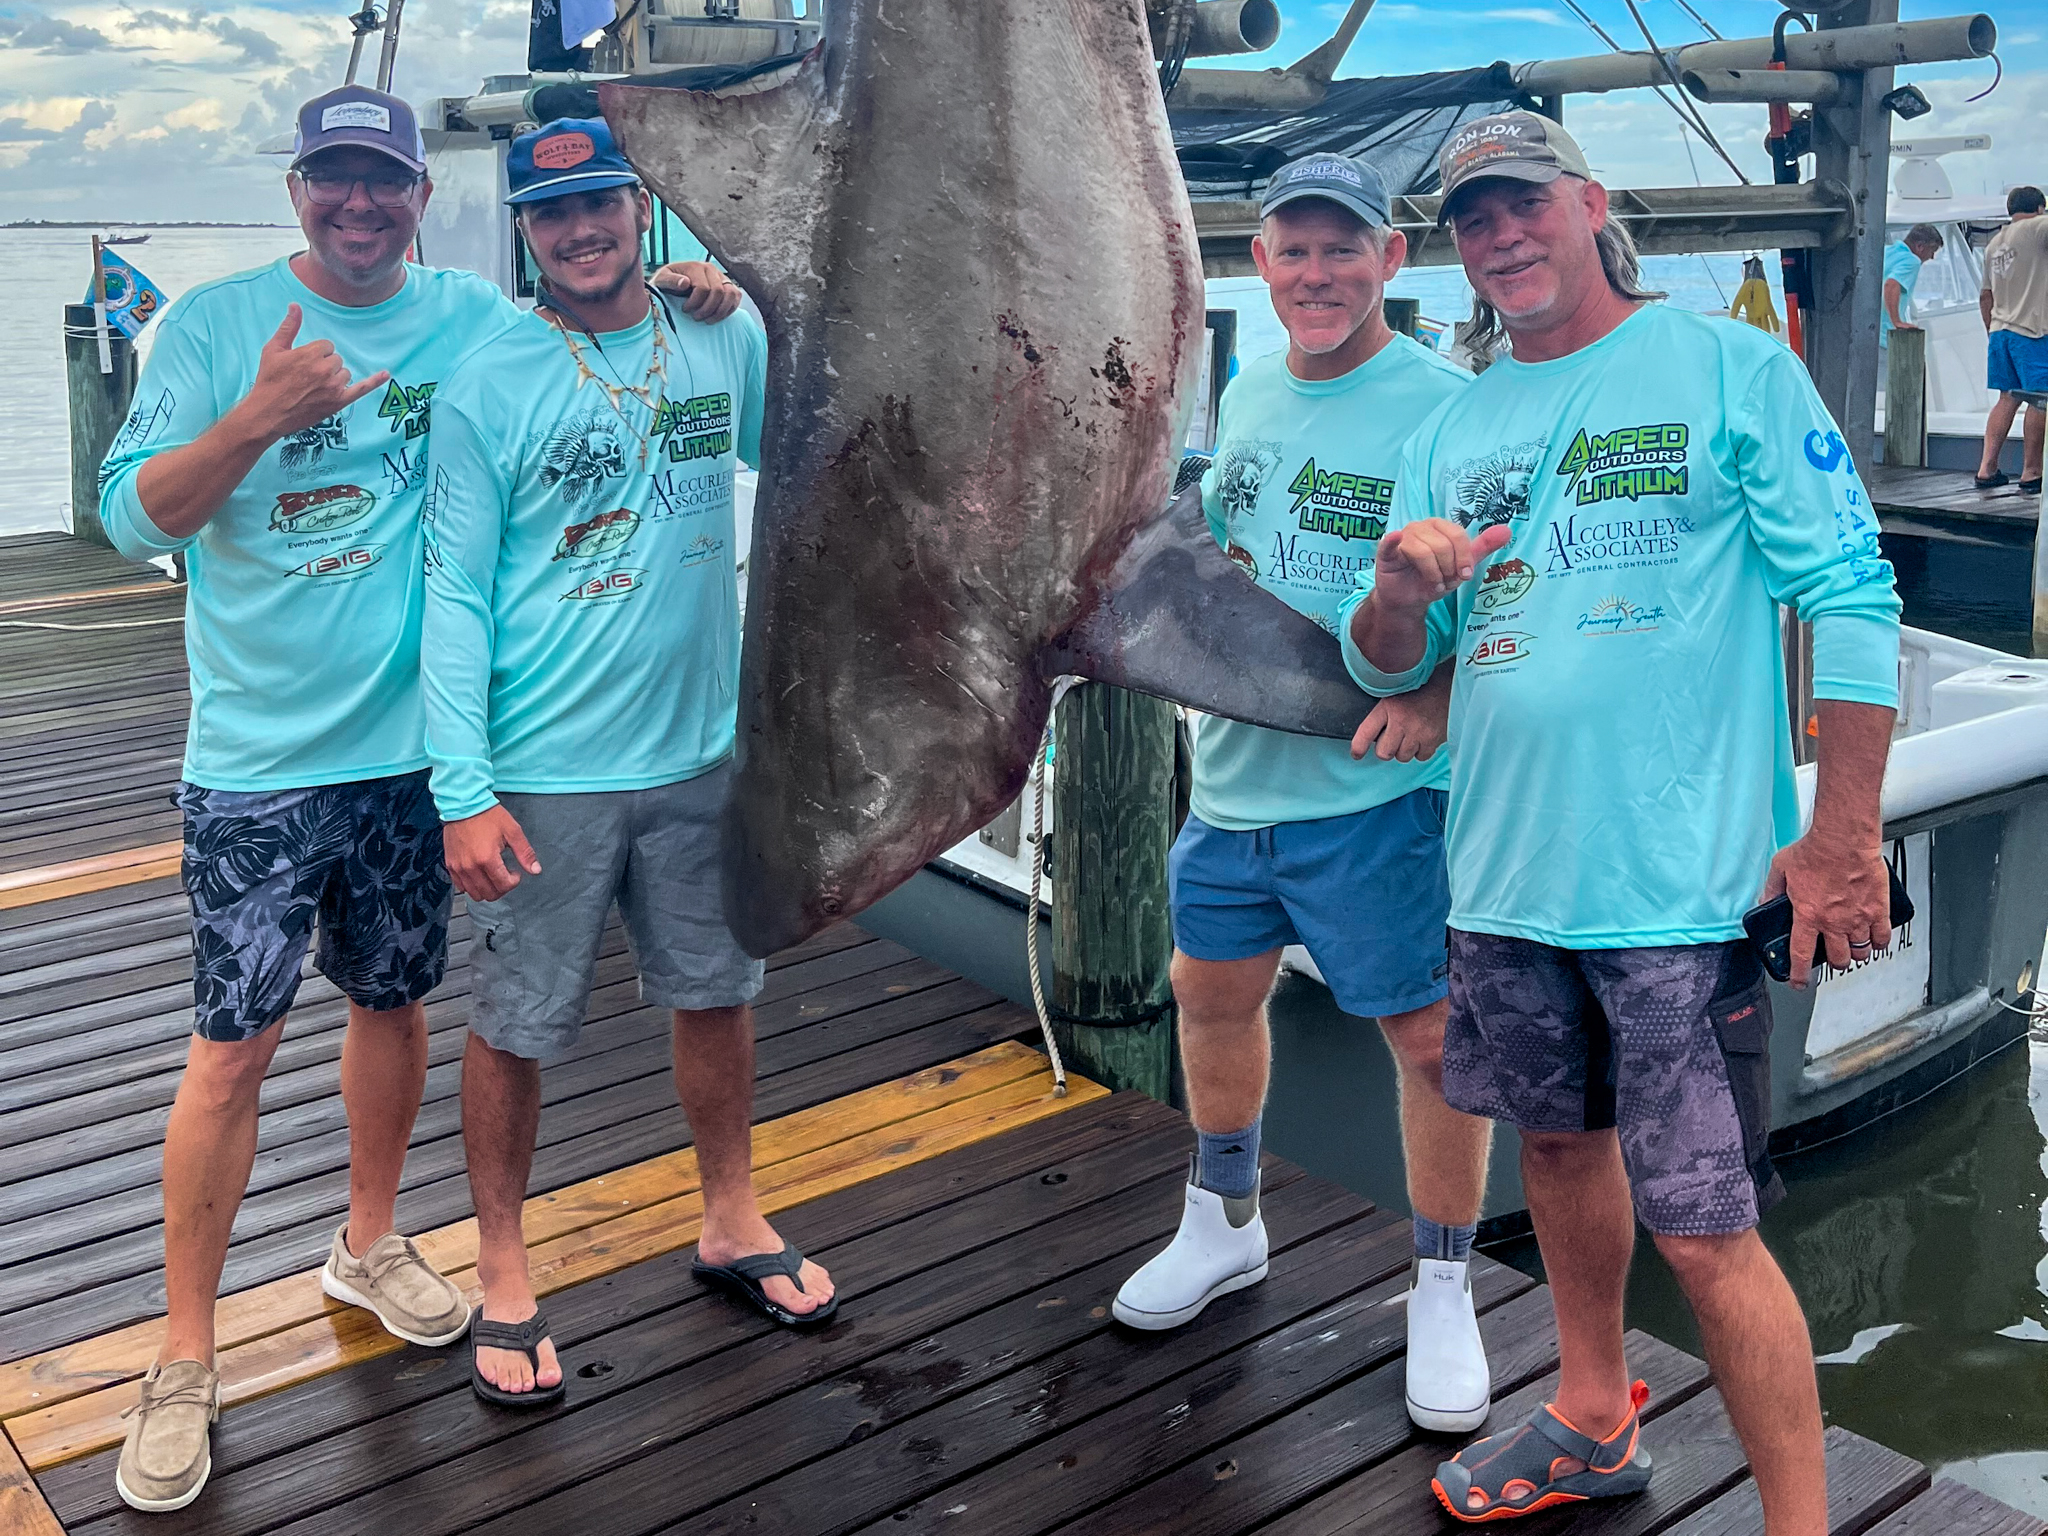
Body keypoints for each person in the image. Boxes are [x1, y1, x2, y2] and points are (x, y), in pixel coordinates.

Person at [97, 86, 737, 1513]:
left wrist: (701, 288)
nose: (365, 205)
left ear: (420, 197)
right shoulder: (212, 328)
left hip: (416, 763)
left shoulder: (472, 322)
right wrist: (258, 417)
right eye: (338, 180)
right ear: (299, 189)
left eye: (387, 181)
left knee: (394, 1008)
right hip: (260, 759)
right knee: (232, 1049)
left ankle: (369, 1241)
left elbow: (601, 333)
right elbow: (131, 518)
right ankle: (182, 1355)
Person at [1340, 112, 1901, 1532]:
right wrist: (1403, 595)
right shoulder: (1455, 423)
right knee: (1559, 1153)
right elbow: (1390, 663)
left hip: (1680, 893)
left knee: (1708, 1230)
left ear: (1590, 203)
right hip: (1507, 883)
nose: (1502, 237)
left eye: (1524, 205)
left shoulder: (1726, 365)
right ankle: (1593, 1414)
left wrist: (1841, 838)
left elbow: (1851, 596)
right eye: (1473, 221)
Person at [421, 117, 834, 1409]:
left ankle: (730, 1218)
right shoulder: (488, 379)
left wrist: (758, 292)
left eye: (601, 204)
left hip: (704, 752)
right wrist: (462, 789)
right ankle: (501, 1268)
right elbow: (454, 598)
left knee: (717, 991)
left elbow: (806, 459)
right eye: (552, 217)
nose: (582, 231)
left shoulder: (715, 332)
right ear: (524, 231)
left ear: (637, 205)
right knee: (518, 1022)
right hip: (544, 767)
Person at [1109, 152, 1496, 1435]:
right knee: (1209, 999)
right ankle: (1224, 1218)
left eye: (1344, 249)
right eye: (1292, 250)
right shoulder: (1259, 380)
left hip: (1375, 798)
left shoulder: (1446, 404)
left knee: (1430, 1044)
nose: (1317, 272)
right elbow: (1221, 525)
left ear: (1392, 262)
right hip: (1229, 783)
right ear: (1259, 264)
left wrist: (1438, 695)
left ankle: (1442, 1282)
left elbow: (1506, 587)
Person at [1975, 185, 2048, 493]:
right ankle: (2032, 472)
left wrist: (1992, 331)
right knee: (2041, 399)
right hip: (2031, 331)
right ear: (2040, 208)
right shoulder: (2039, 228)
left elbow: (1985, 296)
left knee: (2008, 398)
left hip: (2000, 331)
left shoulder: (1995, 243)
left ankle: (1987, 469)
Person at [1879, 223, 1941, 347]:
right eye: (1932, 250)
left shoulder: (1885, 251)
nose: (1932, 257)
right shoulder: (1912, 261)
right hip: (1885, 337)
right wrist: (1897, 322)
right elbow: (1891, 284)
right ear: (1920, 246)